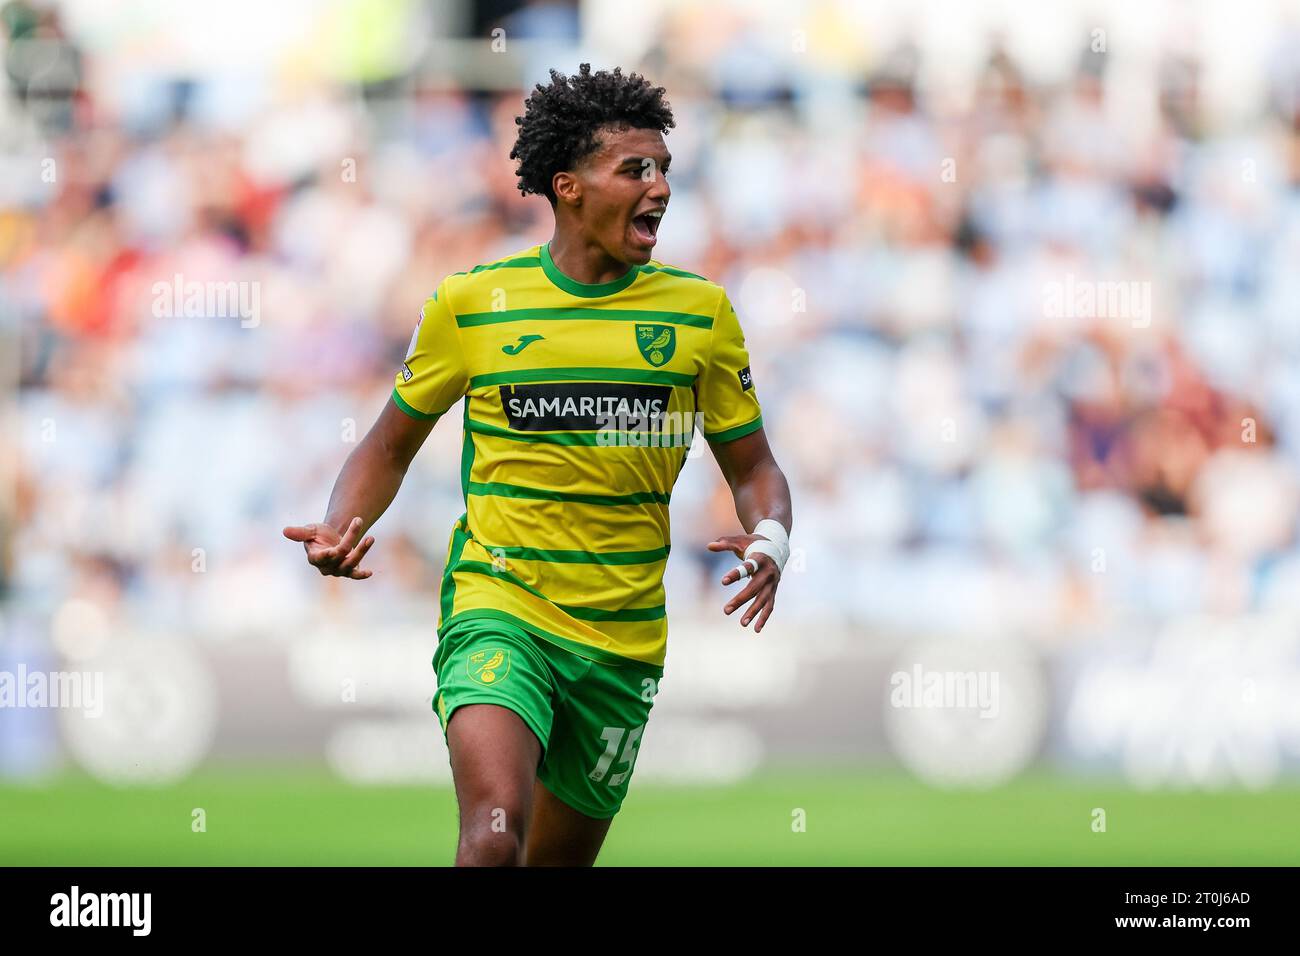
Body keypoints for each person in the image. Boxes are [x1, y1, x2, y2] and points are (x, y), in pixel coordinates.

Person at [284, 64, 793, 866]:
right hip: (501, 605)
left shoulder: (701, 314)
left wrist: (771, 537)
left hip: (622, 641)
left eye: (663, 168)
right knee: (492, 834)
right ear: (569, 186)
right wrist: (340, 525)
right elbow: (387, 444)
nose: (659, 186)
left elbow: (756, 468)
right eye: (636, 169)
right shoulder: (474, 304)